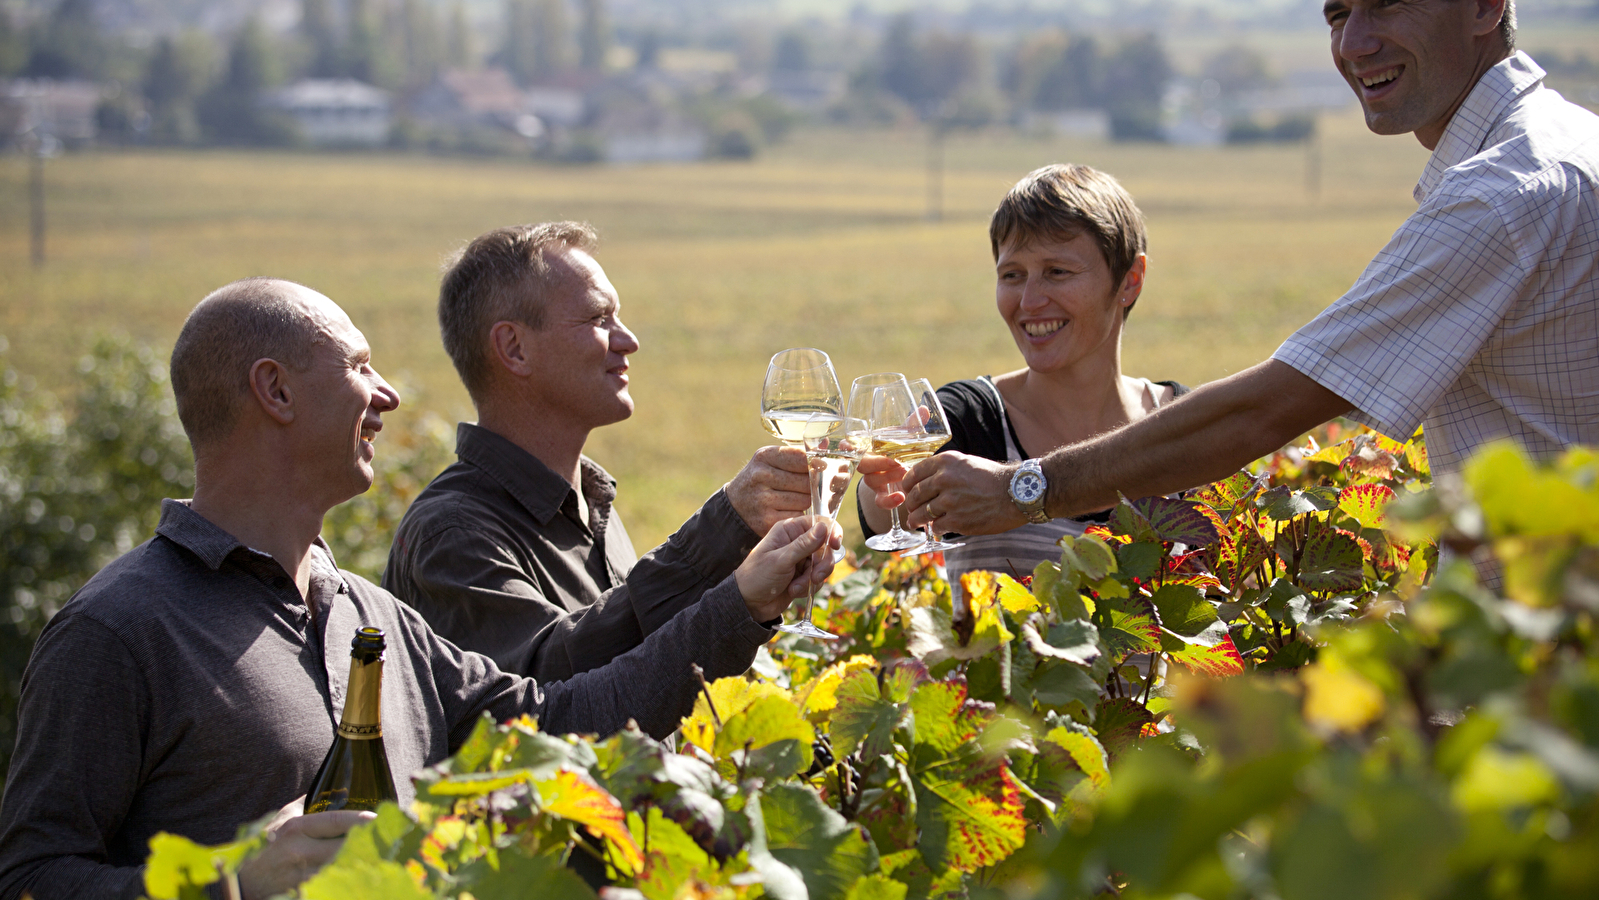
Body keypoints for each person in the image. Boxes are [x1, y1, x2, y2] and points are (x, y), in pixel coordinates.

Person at [0, 278, 835, 900]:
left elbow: (564, 723)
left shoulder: (370, 616)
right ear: (275, 391)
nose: (389, 395)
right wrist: (233, 886)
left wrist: (743, 603)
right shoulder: (118, 630)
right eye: (361, 366)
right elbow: (31, 877)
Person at [890, 0, 1598, 537]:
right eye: (1336, 12)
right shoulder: (1569, 144)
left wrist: (1026, 489)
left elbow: (1268, 409)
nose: (1353, 43)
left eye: (1386, 2)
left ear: (1484, 5)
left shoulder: (1500, 196)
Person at [385, 222, 812, 682]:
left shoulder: (589, 503)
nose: (629, 341)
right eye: (598, 319)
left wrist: (749, 581)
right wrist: (722, 528)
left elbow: (645, 664)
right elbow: (553, 691)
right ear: (514, 348)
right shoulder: (452, 534)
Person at [857, 164, 1187, 585]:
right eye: (1012, 275)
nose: (1030, 301)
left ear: (1130, 280)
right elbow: (884, 520)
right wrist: (886, 490)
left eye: (1057, 272)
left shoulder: (1184, 424)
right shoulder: (969, 417)